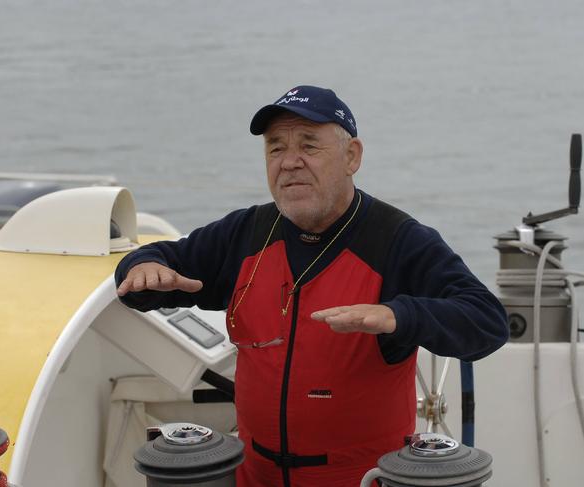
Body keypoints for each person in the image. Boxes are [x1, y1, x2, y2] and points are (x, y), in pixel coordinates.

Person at [115, 85, 509, 487]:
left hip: (363, 477)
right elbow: (157, 266)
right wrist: (142, 265)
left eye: (309, 146)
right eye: (275, 149)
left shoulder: (398, 241)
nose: (289, 163)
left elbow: (487, 323)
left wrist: (398, 315)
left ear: (351, 156)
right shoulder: (246, 233)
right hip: (255, 474)